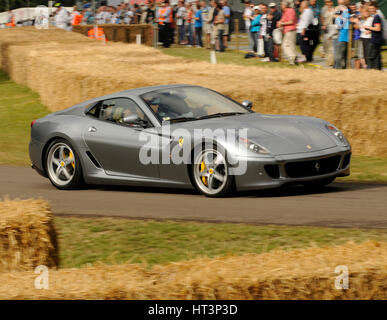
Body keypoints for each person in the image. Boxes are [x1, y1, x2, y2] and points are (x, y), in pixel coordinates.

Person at [364, 1, 384, 70]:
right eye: (370, 8)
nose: (371, 10)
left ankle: (371, 69)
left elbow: (378, 28)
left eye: (372, 8)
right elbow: (377, 28)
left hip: (375, 40)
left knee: (370, 56)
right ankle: (377, 69)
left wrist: (368, 27)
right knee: (377, 56)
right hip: (377, 39)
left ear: (376, 8)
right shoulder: (377, 16)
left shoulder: (376, 17)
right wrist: (370, 31)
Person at [278, 0, 297, 65]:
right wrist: (279, 23)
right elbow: (282, 20)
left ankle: (292, 58)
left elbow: (291, 21)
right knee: (291, 46)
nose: (280, 6)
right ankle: (293, 61)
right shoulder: (285, 12)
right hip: (288, 31)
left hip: (290, 30)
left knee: (285, 45)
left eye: (281, 5)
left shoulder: (290, 10)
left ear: (285, 5)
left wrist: (282, 23)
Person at [334, 0, 350, 69]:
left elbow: (339, 25)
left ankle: (339, 69)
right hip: (341, 36)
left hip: (342, 37)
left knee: (339, 56)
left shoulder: (345, 14)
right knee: (339, 55)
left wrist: (337, 17)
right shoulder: (344, 13)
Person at [320, 0, 336, 65]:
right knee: (326, 45)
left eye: (329, 2)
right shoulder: (323, 9)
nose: (328, 3)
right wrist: (323, 24)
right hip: (326, 29)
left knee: (331, 46)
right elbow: (322, 17)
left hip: (332, 28)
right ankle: (327, 60)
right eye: (327, 2)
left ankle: (331, 61)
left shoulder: (335, 9)